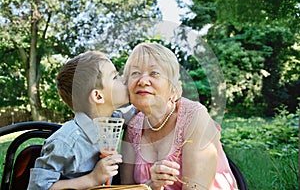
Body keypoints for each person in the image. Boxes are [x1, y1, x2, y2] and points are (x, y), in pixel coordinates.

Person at [120, 43, 238, 190]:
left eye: (154, 73)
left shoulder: (194, 117)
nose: (142, 81)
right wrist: (152, 186)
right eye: (135, 73)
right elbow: (126, 188)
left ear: (173, 87)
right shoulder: (133, 128)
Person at [28, 51, 129, 190]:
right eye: (115, 77)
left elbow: (136, 111)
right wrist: (92, 178)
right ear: (98, 96)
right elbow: (38, 188)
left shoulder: (113, 120)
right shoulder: (66, 142)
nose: (123, 80)